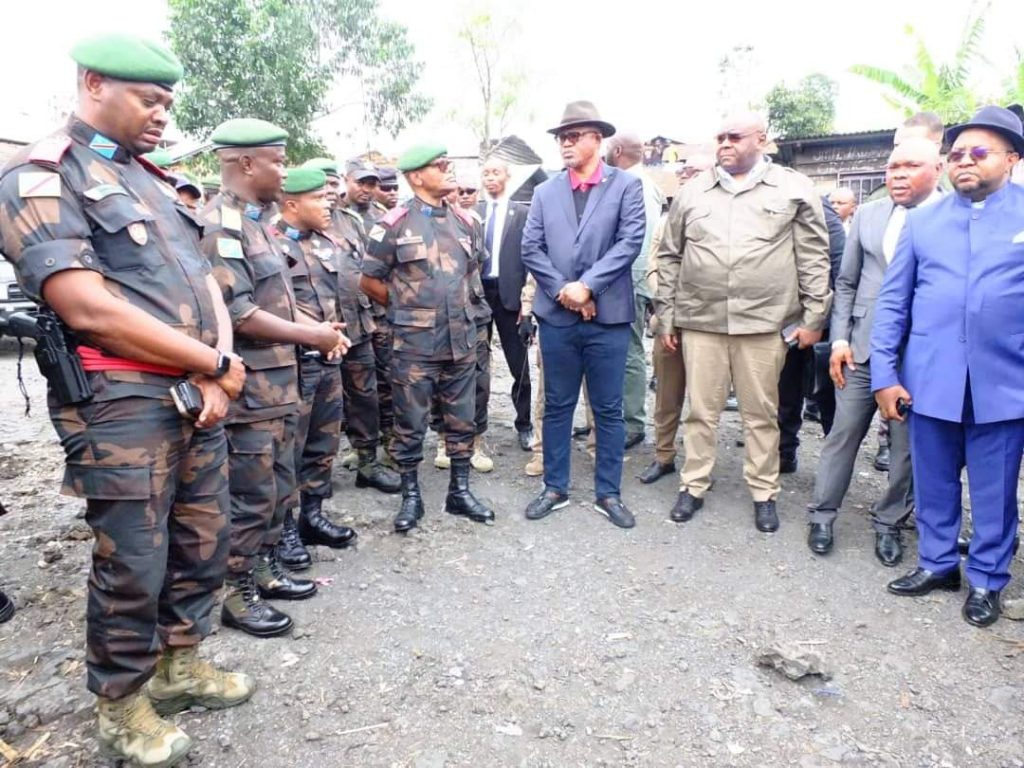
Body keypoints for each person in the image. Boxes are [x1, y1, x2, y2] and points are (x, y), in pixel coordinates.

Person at [0, 33, 253, 765]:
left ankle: (180, 665)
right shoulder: (42, 176)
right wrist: (214, 363)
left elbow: (206, 283)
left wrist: (218, 369)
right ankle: (121, 704)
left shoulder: (152, 181)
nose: (162, 114)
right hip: (120, 402)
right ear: (92, 84)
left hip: (197, 389)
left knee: (203, 538)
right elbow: (88, 307)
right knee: (134, 559)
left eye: (168, 102)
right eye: (148, 99)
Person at [874, 106, 1024, 627]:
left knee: (994, 491)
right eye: (957, 153)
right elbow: (893, 304)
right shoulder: (923, 222)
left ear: (1011, 159)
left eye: (979, 152)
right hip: (930, 379)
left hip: (1005, 383)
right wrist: (885, 376)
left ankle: (986, 579)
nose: (965, 161)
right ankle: (937, 564)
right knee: (934, 482)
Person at [202, 118, 348, 638]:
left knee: (278, 487)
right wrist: (312, 336)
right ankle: (237, 592)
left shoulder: (257, 222)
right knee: (250, 494)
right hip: (251, 390)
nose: (285, 172)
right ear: (246, 163)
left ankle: (262, 568)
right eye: (278, 162)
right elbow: (237, 312)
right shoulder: (220, 226)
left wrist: (319, 329)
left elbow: (277, 300)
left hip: (280, 384)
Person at [657, 111, 832, 533]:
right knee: (701, 411)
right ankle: (693, 484)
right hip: (702, 320)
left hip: (763, 323)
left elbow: (813, 256)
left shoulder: (794, 188)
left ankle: (763, 491)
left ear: (762, 140)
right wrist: (667, 316)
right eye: (720, 137)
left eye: (734, 137)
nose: (724, 144)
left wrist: (814, 317)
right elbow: (670, 255)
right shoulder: (693, 191)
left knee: (761, 414)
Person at [805, 138, 942, 563]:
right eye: (892, 167)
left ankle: (890, 522)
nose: (898, 175)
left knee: (906, 449)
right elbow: (846, 282)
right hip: (861, 349)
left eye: (910, 166)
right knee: (842, 435)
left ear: (938, 170)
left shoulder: (949, 218)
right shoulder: (868, 214)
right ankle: (822, 514)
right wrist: (840, 338)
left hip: (918, 355)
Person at [520, 100, 646, 529]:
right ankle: (555, 487)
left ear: (598, 138)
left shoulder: (625, 186)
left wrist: (589, 286)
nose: (565, 143)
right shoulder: (545, 192)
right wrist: (566, 291)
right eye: (561, 137)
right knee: (557, 405)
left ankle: (608, 492)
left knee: (608, 408)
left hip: (608, 319)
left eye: (574, 136)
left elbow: (629, 243)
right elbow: (531, 248)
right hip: (558, 317)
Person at [359, 144, 494, 533]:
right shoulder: (393, 224)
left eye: (448, 163)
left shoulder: (467, 222)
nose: (449, 169)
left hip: (460, 341)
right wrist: (408, 309)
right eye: (440, 165)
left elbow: (473, 272)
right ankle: (411, 497)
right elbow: (369, 281)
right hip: (414, 346)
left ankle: (459, 491)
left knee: (462, 418)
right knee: (410, 422)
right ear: (416, 176)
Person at [275, 168, 389, 566]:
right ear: (292, 204)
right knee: (290, 446)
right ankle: (284, 529)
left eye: (328, 196)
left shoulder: (329, 239)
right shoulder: (272, 243)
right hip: (293, 361)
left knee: (322, 442)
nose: (329, 203)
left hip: (331, 356)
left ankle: (312, 515)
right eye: (318, 198)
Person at [641, 152, 714, 484]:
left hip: (709, 325)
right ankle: (664, 455)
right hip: (669, 320)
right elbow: (654, 266)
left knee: (704, 401)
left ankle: (700, 467)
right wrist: (667, 304)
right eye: (683, 171)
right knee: (666, 395)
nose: (685, 176)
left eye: (694, 171)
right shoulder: (666, 220)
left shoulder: (721, 216)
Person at [605, 132, 665, 450]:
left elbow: (644, 240)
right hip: (620, 279)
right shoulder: (629, 182)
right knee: (612, 351)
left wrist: (639, 285)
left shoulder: (637, 184)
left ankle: (632, 423)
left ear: (617, 151)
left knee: (629, 351)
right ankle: (610, 418)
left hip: (629, 281)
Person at [776, 195, 845, 472]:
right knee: (784, 390)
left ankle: (835, 466)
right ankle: (784, 452)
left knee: (826, 392)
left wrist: (831, 318)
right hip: (782, 314)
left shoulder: (814, 202)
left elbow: (839, 262)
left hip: (821, 316)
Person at [477, 156, 534, 451]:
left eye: (496, 172)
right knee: (475, 364)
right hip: (479, 294)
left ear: (507, 176)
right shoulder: (474, 213)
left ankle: (524, 423)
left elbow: (530, 258)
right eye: (486, 173)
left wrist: (527, 306)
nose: (490, 178)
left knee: (519, 365)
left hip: (510, 295)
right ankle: (476, 427)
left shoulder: (522, 213)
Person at [344, 158, 382, 232]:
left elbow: (380, 238)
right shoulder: (331, 213)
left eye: (371, 184)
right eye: (360, 183)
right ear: (346, 180)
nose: (366, 190)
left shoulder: (379, 213)